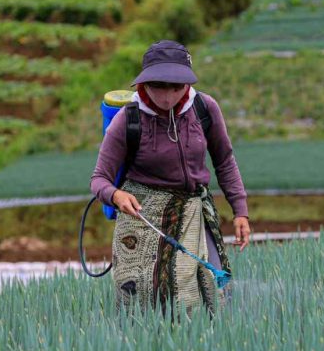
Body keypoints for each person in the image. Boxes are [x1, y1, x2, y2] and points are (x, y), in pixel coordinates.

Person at [90, 40, 251, 319]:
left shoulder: (204, 108)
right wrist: (116, 196)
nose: (167, 96)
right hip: (145, 216)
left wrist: (240, 212)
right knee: (143, 298)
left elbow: (224, 161)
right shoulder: (128, 120)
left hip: (193, 209)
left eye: (176, 87)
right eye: (159, 86)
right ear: (144, 84)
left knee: (213, 288)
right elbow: (99, 179)